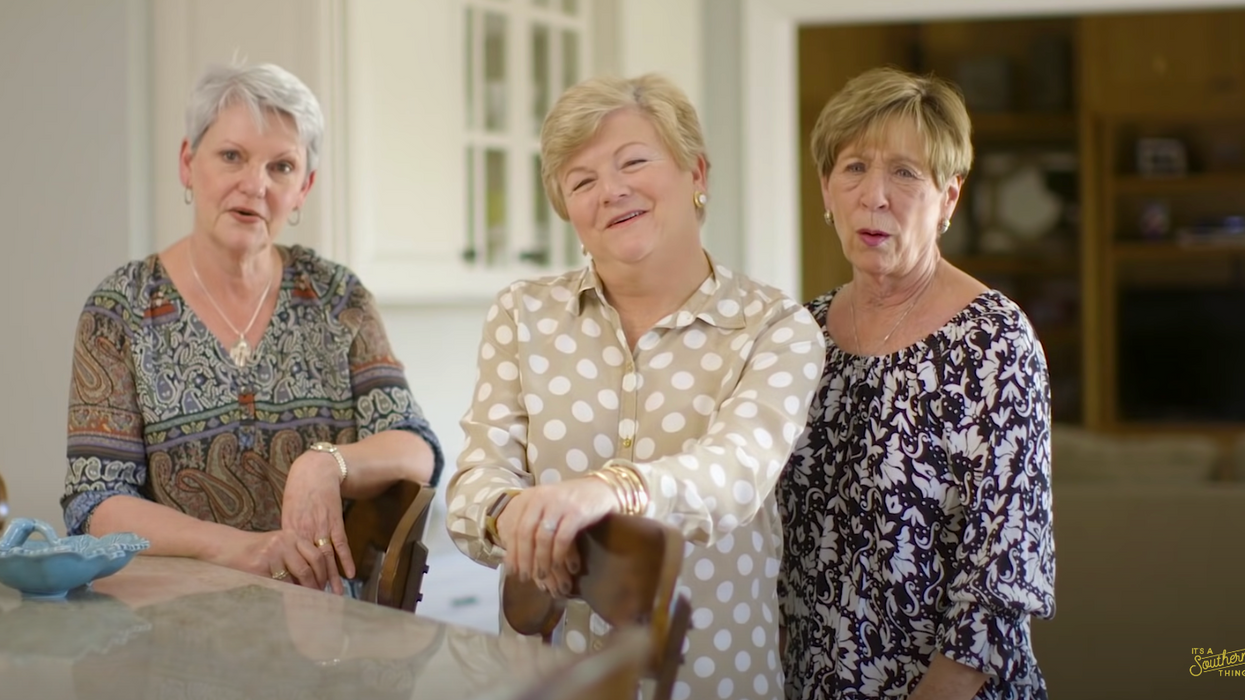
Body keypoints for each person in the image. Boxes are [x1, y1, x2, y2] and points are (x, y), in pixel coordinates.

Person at [446, 73, 825, 700]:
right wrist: (513, 516)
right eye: (582, 180)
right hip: (547, 681)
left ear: (696, 174)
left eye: (633, 162)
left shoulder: (774, 327)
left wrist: (611, 489)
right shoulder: (522, 314)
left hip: (710, 680)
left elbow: (736, 473)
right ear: (567, 207)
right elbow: (472, 488)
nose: (611, 191)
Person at [62, 62, 443, 594]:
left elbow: (416, 449)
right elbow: (96, 502)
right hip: (171, 636)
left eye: (281, 167)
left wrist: (326, 463)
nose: (255, 185)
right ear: (187, 164)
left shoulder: (339, 298)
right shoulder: (120, 310)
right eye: (232, 156)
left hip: (329, 637)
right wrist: (235, 548)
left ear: (304, 188)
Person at [777, 66, 1056, 700]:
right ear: (825, 188)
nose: (875, 196)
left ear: (948, 199)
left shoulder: (996, 342)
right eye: (853, 168)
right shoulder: (798, 335)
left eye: (905, 173)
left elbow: (1000, 583)